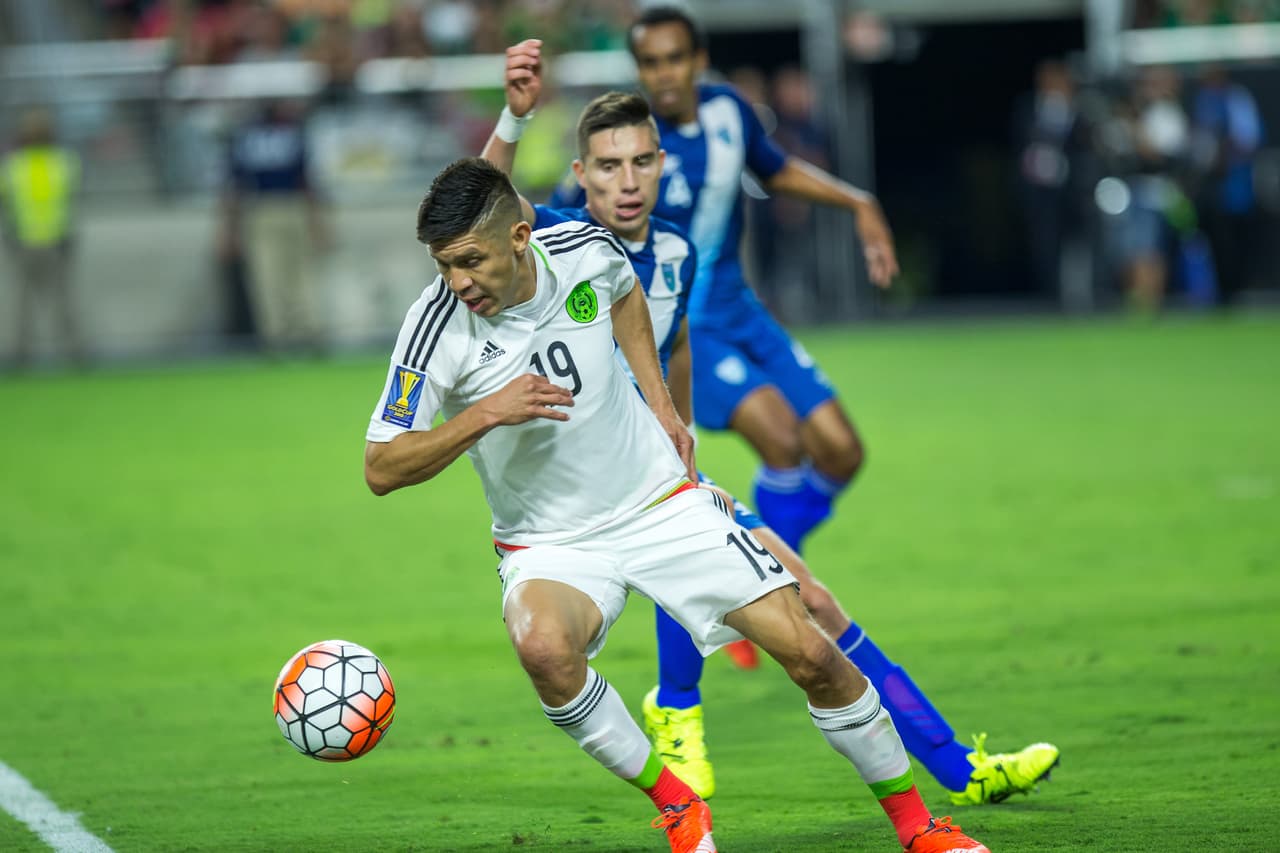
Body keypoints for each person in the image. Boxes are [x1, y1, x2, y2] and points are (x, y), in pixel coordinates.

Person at [486, 40, 1060, 811]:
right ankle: (676, 705)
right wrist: (514, 118)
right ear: (580, 175)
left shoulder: (677, 250)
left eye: (641, 163)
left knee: (816, 601)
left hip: (655, 487)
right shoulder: (553, 239)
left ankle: (962, 769)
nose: (627, 181)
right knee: (764, 582)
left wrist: (679, 431)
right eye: (609, 167)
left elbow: (674, 342)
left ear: (661, 166)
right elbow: (484, 203)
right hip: (576, 513)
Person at [364, 156, 990, 853]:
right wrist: (484, 412)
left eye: (470, 261)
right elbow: (381, 466)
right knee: (542, 647)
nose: (457, 281)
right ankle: (678, 803)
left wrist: (664, 408)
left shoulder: (586, 249)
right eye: (444, 264)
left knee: (811, 650)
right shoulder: (435, 326)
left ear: (519, 237)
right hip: (550, 542)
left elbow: (626, 292)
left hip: (658, 500)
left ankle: (920, 826)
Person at [550, 5, 893, 560]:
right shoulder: (629, 144)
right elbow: (561, 219)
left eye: (674, 59)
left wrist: (858, 202)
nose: (663, 73)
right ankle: (777, 579)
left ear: (699, 60)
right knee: (782, 440)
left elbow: (775, 170)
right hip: (682, 326)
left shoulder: (729, 110)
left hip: (742, 310)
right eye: (650, 62)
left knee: (842, 450)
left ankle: (766, 555)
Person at [219, 99, 330, 353]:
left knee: (268, 277)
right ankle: (308, 332)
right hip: (291, 206)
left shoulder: (245, 137)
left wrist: (228, 229)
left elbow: (234, 186)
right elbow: (308, 181)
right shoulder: (293, 133)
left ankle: (278, 336)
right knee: (300, 275)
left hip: (261, 208)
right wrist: (318, 221)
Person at [0, 106, 84, 368]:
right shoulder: (64, 162)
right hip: (57, 239)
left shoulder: (14, 165)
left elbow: (6, 200)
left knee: (24, 303)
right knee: (63, 301)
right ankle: (75, 353)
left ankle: (21, 355)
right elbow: (71, 196)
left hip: (24, 240)